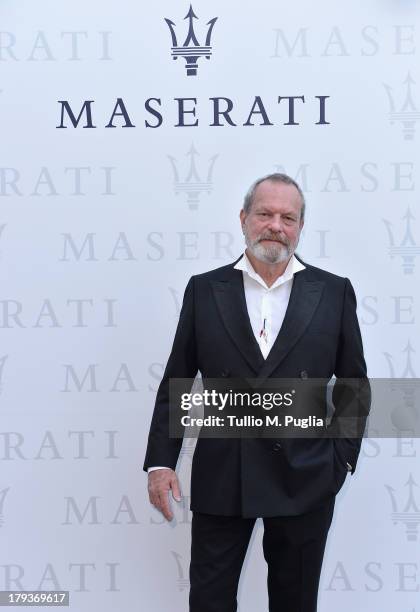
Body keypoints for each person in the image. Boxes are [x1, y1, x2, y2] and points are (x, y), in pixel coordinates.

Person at [143, 173, 370, 612]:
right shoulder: (206, 289)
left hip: (306, 477)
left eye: (288, 217)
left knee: (295, 602)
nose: (276, 225)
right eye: (265, 213)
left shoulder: (334, 291)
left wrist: (340, 459)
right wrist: (159, 462)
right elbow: (178, 380)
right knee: (209, 601)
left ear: (301, 227)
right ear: (244, 218)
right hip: (224, 474)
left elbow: (353, 383)